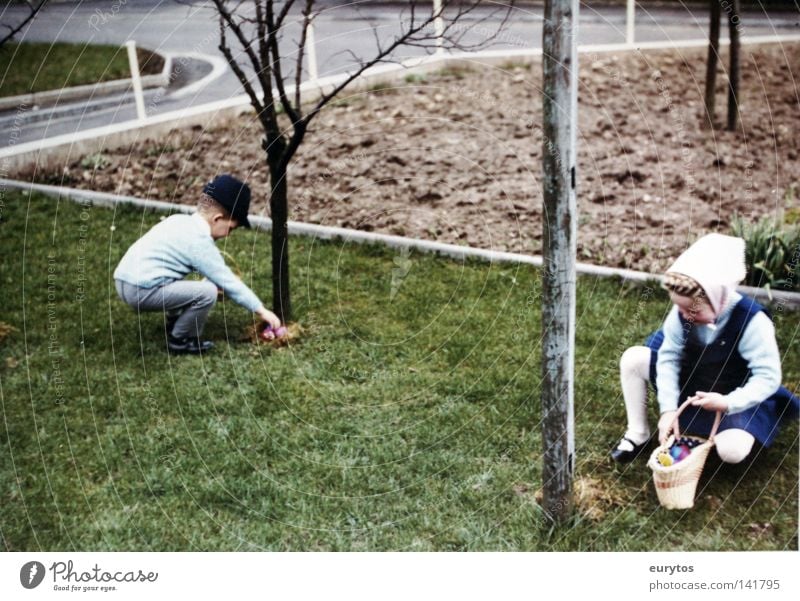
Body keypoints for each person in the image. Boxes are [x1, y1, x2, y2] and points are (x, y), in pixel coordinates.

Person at [610, 233, 799, 464]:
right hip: (695, 382)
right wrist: (668, 409)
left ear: (717, 298)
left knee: (732, 452)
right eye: (678, 307)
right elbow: (669, 359)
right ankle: (638, 433)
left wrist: (729, 402)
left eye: (693, 311)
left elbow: (768, 377)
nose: (683, 315)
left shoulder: (752, 322)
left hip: (735, 392)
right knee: (633, 358)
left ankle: (712, 440)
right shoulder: (683, 312)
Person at [114, 174, 281, 354]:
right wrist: (261, 310)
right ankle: (180, 339)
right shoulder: (199, 241)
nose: (228, 235)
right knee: (207, 292)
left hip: (124, 280)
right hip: (141, 290)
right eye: (230, 228)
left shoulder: (178, 220)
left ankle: (175, 322)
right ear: (217, 218)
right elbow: (227, 281)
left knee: (198, 286)